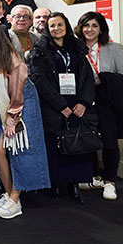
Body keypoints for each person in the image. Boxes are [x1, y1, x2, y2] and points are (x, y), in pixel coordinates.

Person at [0, 15, 50, 219]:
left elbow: (18, 85)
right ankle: (8, 193)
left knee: (18, 149)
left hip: (21, 101)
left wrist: (13, 117)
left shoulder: (7, 53)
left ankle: (16, 198)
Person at [29, 12, 96, 204]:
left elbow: (88, 78)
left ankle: (74, 184)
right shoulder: (41, 50)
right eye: (52, 26)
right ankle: (56, 183)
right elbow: (39, 80)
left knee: (77, 142)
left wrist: (83, 102)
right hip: (54, 105)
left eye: (59, 25)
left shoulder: (76, 49)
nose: (56, 28)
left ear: (66, 26)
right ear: (47, 29)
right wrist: (61, 105)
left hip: (77, 103)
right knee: (55, 144)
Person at [75, 12, 123, 201]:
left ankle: (110, 182)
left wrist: (104, 79)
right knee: (86, 140)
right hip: (84, 100)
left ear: (101, 29)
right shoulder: (76, 48)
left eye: (94, 26)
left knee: (109, 141)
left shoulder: (113, 48)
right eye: (86, 26)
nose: (89, 30)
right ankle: (94, 177)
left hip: (107, 100)